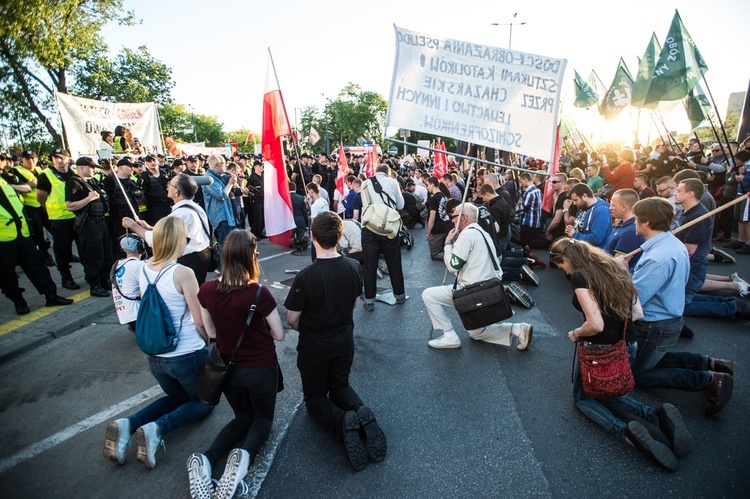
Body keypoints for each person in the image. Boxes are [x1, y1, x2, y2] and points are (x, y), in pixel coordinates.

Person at [550, 238, 692, 471]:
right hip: (627, 342)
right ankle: (656, 416)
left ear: (565, 259)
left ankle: (626, 432)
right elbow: (637, 312)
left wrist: (576, 333)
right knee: (604, 389)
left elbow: (595, 324)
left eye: (561, 266)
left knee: (584, 397)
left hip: (599, 348)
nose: (563, 271)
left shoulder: (580, 277)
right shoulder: (614, 268)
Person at [103, 217, 213, 468]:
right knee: (204, 402)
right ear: (177, 241)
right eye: (185, 238)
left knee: (177, 397)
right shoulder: (184, 273)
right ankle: (158, 428)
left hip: (155, 355)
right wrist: (208, 341)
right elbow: (198, 319)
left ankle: (129, 424)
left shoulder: (142, 268)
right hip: (185, 354)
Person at [284, 211, 387, 471]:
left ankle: (342, 421)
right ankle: (361, 413)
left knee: (316, 397)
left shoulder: (306, 276)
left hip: (315, 345)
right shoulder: (353, 267)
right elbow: (354, 303)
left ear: (313, 238)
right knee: (340, 386)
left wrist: (307, 327)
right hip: (343, 339)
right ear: (340, 237)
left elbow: (291, 319)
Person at [189, 230, 285, 499]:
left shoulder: (206, 290)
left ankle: (208, 458)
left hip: (228, 369)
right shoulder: (258, 293)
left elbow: (210, 332)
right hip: (261, 368)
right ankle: (243, 457)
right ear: (250, 256)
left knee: (242, 418)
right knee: (262, 419)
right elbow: (279, 334)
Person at [624, 198, 734, 418]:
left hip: (656, 323)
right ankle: (708, 363)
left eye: (636, 219)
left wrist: (624, 272)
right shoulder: (671, 243)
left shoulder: (657, 258)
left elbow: (635, 298)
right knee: (651, 357)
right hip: (667, 318)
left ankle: (707, 380)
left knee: (634, 375)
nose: (634, 223)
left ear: (645, 222)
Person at [422, 203, 533, 350]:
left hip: (472, 291)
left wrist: (448, 244)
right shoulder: (483, 233)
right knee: (476, 332)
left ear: (464, 218)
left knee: (429, 295)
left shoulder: (467, 234)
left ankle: (449, 335)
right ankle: (517, 329)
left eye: (454, 216)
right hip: (489, 289)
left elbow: (453, 265)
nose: (452, 220)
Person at [123, 174, 213, 285]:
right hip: (201, 255)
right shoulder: (195, 207)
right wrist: (149, 227)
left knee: (187, 295)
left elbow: (158, 239)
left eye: (170, 185)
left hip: (189, 258)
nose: (167, 187)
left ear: (177, 192)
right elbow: (178, 231)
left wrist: (133, 226)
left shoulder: (180, 214)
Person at [0, 177, 72, 314]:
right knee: (7, 275)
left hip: (23, 236)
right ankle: (19, 302)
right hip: (3, 241)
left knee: (38, 267)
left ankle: (51, 296)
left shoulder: (7, 187)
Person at [65, 156, 113, 297]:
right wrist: (89, 198)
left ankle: (104, 280)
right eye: (90, 167)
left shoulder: (92, 181)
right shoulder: (74, 183)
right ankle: (94, 284)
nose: (93, 170)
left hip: (101, 222)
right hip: (88, 224)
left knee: (106, 253)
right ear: (81, 168)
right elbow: (70, 205)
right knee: (94, 255)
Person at [360, 164, 406, 311]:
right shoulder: (393, 182)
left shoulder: (365, 183)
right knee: (394, 263)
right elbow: (400, 205)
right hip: (389, 228)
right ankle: (399, 295)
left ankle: (369, 301)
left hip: (370, 227)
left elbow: (365, 205)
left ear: (376, 172)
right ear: (388, 173)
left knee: (369, 265)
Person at [37, 149, 80, 290]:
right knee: (62, 250)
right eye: (56, 158)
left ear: (68, 159)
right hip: (60, 219)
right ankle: (66, 278)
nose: (59, 161)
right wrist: (50, 209)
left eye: (62, 158)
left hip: (76, 216)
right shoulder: (46, 175)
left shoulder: (73, 173)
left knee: (82, 247)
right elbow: (40, 197)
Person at [203, 154, 236, 262]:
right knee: (225, 244)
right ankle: (225, 269)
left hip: (226, 215)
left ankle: (229, 267)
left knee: (229, 244)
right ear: (218, 165)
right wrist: (230, 183)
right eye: (224, 165)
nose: (225, 167)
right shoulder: (209, 179)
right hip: (221, 216)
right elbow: (221, 195)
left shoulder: (216, 177)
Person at [110, 234, 146, 332]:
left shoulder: (117, 264)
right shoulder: (139, 266)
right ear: (140, 247)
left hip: (126, 315)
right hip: (139, 315)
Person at [604, 189, 644, 269]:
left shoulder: (629, 232)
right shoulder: (622, 225)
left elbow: (618, 267)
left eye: (613, 205)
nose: (610, 208)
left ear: (623, 207)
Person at [564, 183, 612, 248]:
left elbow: (596, 238)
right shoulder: (583, 206)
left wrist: (574, 234)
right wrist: (571, 229)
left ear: (585, 196)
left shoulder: (601, 210)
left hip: (594, 255)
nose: (574, 203)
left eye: (575, 200)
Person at [425, 176, 451, 260]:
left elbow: (432, 219)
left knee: (434, 254)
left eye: (428, 185)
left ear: (432, 184)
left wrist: (428, 233)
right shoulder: (444, 196)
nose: (427, 187)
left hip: (437, 230)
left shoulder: (433, 199)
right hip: (445, 226)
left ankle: (451, 257)